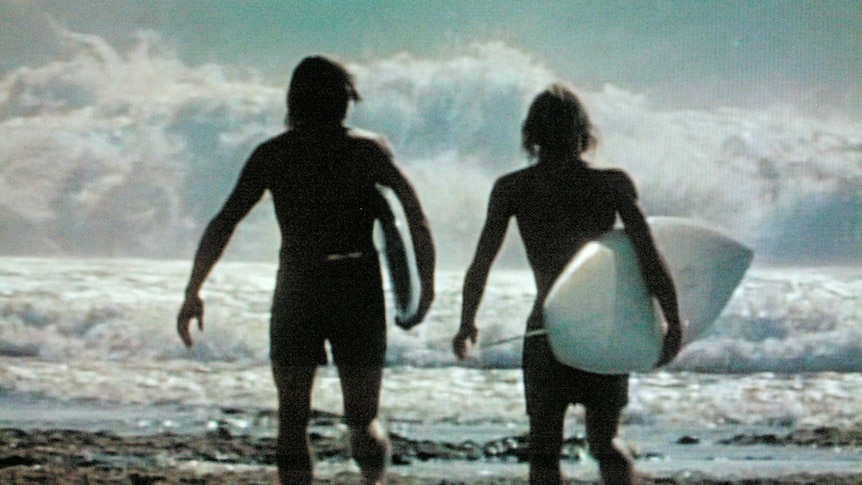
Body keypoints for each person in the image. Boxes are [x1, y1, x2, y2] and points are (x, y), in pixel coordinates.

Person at [177, 56, 435, 485]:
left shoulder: (276, 153)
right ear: (342, 100)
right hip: (353, 285)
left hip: (302, 286)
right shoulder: (365, 150)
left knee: (297, 419)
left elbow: (224, 222)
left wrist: (193, 291)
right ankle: (373, 482)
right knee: (358, 417)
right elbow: (414, 215)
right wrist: (424, 287)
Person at [452, 84, 681, 485]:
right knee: (605, 442)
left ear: (532, 136)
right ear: (583, 133)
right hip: (602, 326)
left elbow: (481, 263)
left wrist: (466, 321)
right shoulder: (611, 184)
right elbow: (648, 255)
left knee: (543, 451)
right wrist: (672, 319)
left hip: (548, 326)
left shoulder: (514, 188)